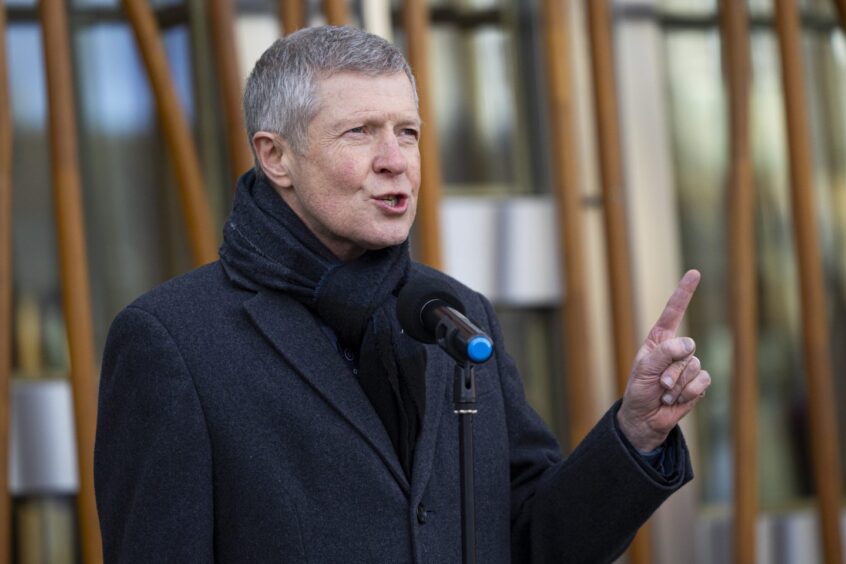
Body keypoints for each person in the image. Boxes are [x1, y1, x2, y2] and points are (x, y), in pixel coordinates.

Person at [94, 25, 711, 563]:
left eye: (408, 131)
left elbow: (533, 541)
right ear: (275, 156)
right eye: (360, 132)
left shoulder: (458, 317)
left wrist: (635, 432)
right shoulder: (171, 340)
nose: (396, 161)